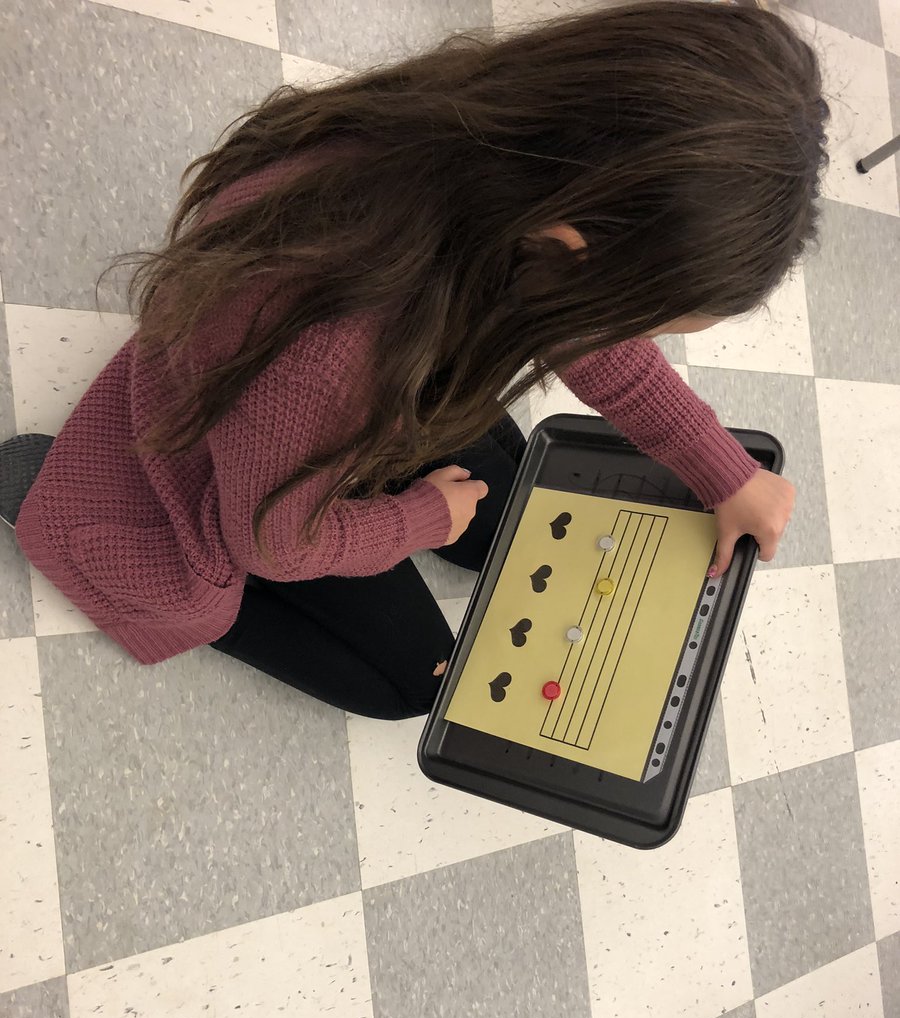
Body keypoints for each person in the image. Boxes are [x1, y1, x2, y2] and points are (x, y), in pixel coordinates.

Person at [1, 1, 827, 721]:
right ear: (566, 251)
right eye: (638, 314)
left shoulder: (497, 155)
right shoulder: (327, 357)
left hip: (347, 403)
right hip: (243, 492)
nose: (627, 338)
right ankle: (51, 490)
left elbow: (593, 342)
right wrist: (421, 517)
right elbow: (273, 544)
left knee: (512, 521)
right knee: (417, 682)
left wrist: (726, 472)